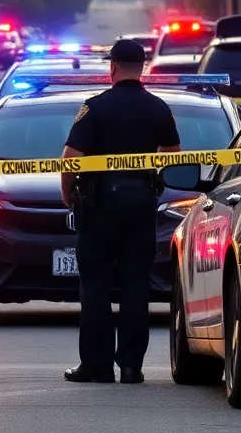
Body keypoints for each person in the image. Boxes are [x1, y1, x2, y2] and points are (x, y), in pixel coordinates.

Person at [59, 38, 181, 385]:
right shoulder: (159, 108)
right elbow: (172, 154)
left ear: (111, 67)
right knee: (135, 286)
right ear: (142, 68)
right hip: (141, 204)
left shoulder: (95, 107)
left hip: (99, 207)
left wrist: (68, 194)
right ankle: (131, 367)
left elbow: (71, 157)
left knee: (95, 285)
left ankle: (97, 366)